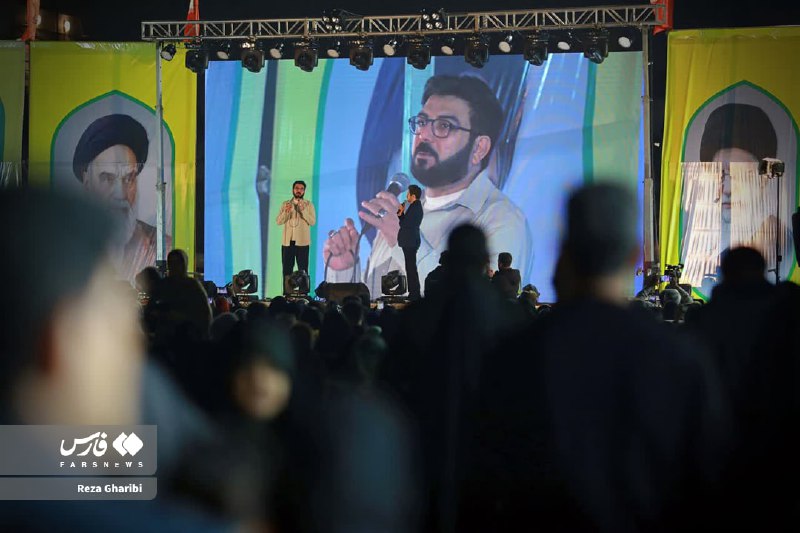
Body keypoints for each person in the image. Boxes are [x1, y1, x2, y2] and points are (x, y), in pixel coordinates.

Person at [323, 74, 532, 299]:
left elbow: (484, 309)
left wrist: (407, 243)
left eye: (444, 126)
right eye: (422, 122)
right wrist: (344, 271)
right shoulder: (401, 214)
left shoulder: (502, 220)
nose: (424, 135)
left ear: (479, 148)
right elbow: (372, 304)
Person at [681, 101, 793, 295]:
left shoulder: (779, 243)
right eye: (720, 174)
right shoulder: (701, 242)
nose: (727, 189)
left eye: (738, 175)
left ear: (763, 179)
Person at [72, 113, 168, 283]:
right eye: (107, 178)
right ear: (87, 183)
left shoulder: (162, 247)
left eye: (128, 179)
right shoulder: (64, 246)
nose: (120, 194)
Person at [276, 180, 316, 288]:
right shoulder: (286, 204)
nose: (299, 191)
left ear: (304, 191)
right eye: (297, 188)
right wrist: (286, 212)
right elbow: (278, 221)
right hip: (287, 242)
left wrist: (303, 211)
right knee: (287, 269)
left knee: (303, 270)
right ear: (293, 190)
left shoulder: (309, 205)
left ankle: (304, 293)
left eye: (301, 189)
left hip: (302, 242)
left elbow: (312, 222)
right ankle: (287, 294)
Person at [397, 184, 424, 300]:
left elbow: (405, 224)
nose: (406, 196)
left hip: (410, 241)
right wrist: (400, 214)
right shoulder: (414, 206)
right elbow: (404, 222)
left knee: (411, 268)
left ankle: (414, 293)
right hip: (409, 241)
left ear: (413, 196)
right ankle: (413, 292)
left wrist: (401, 214)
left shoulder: (416, 207)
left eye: (408, 194)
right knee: (410, 267)